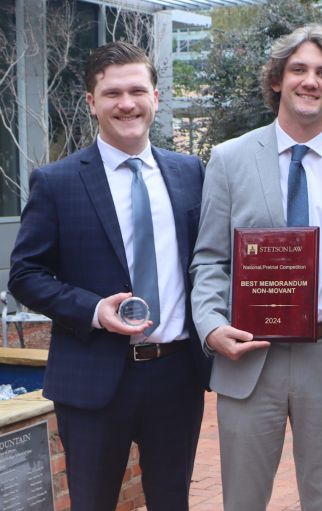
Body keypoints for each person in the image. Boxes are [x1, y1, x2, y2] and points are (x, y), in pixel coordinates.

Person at [189, 24, 322, 510]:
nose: (311, 81)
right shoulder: (229, 159)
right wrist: (212, 327)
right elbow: (211, 259)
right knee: (242, 500)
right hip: (249, 355)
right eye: (298, 69)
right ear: (277, 79)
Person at [8, 41, 210, 510]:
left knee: (172, 502)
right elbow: (25, 274)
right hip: (92, 377)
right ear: (90, 102)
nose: (126, 103)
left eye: (138, 90)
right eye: (112, 92)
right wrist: (94, 310)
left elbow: (209, 263)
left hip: (176, 373)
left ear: (156, 98)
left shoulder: (190, 173)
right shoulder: (56, 181)